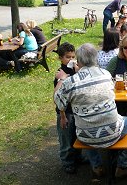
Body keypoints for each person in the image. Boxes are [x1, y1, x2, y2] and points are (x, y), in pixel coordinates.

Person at [54, 43, 127, 179]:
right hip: (113, 133)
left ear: (78, 61)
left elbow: (58, 102)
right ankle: (122, 165)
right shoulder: (106, 74)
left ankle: (97, 166)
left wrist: (62, 79)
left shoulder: (70, 82)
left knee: (87, 125)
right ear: (95, 59)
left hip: (85, 136)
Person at [53, 42, 84, 174]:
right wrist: (63, 116)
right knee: (66, 139)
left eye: (73, 57)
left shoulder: (76, 70)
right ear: (60, 58)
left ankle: (78, 157)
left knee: (77, 136)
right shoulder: (61, 74)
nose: (71, 60)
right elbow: (57, 97)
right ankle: (67, 162)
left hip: (77, 110)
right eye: (67, 57)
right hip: (65, 112)